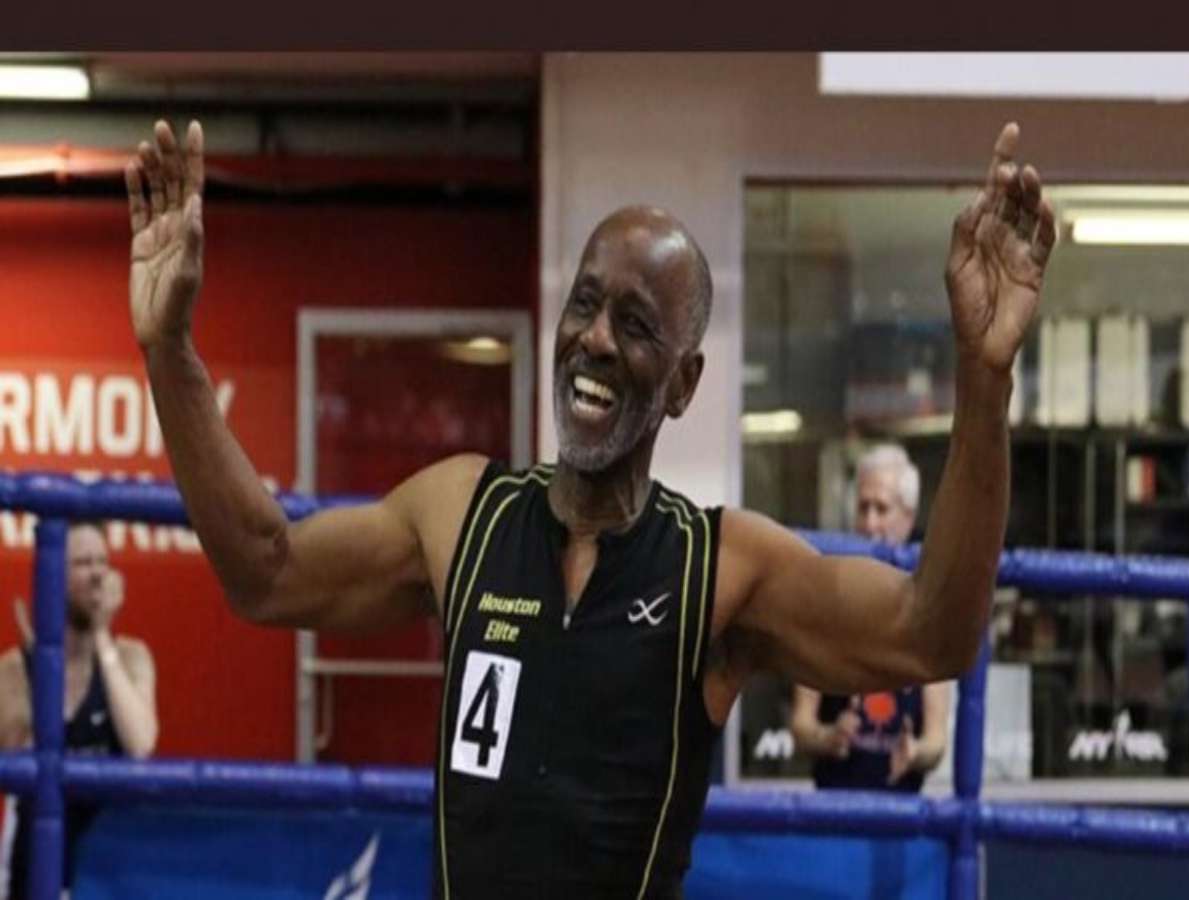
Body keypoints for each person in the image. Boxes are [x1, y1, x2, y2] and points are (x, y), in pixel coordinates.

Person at [124, 118, 1054, 899]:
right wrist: (170, 349)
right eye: (585, 305)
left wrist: (984, 378)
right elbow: (267, 571)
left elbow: (932, 633)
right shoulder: (461, 514)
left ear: (684, 383)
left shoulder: (720, 571)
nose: (597, 339)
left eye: (637, 324)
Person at [0, 522, 158, 899]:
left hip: (111, 873)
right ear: (54, 574)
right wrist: (42, 673)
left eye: (103, 561)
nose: (98, 573)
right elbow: (14, 753)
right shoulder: (15, 669)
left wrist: (102, 635)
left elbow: (141, 744)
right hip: (35, 868)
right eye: (84, 563)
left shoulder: (131, 656)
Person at [791, 444, 951, 792]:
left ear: (908, 517)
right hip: (835, 808)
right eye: (863, 508)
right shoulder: (828, 602)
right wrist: (827, 737)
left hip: (899, 813)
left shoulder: (927, 611)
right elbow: (801, 725)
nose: (870, 523)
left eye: (882, 508)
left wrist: (915, 752)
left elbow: (937, 741)